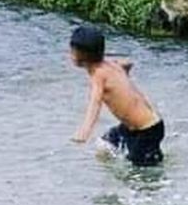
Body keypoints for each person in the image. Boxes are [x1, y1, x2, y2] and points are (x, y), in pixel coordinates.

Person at [69, 25, 165, 167]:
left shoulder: (98, 75)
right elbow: (128, 62)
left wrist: (85, 131)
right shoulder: (111, 64)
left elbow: (95, 103)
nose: (70, 54)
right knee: (104, 146)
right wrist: (124, 73)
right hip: (135, 127)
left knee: (140, 173)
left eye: (72, 51)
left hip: (146, 131)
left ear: (82, 55)